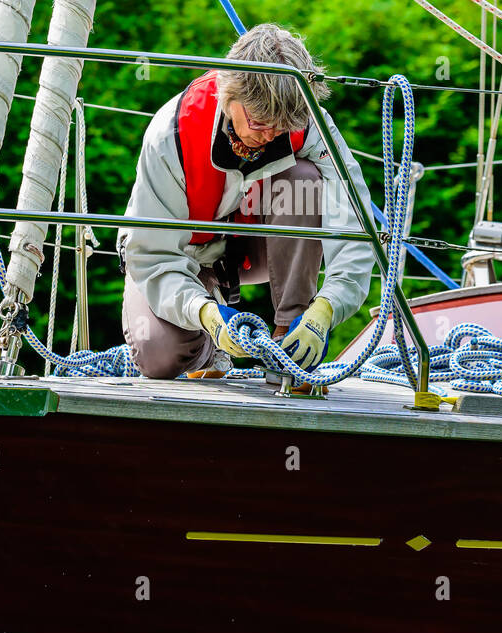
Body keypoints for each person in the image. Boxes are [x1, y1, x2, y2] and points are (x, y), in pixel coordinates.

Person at [118, 23, 374, 379]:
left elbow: (355, 222)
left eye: (280, 128)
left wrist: (328, 308)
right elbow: (154, 256)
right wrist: (204, 314)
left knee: (304, 180)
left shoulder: (304, 119)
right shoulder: (170, 135)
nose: (269, 136)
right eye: (258, 123)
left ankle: (291, 344)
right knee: (159, 356)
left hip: (251, 251)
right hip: (179, 257)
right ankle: (209, 348)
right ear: (228, 94)